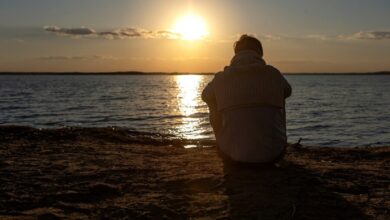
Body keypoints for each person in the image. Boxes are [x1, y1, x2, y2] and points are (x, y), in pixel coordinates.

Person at [202, 34, 292, 164]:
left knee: (212, 99)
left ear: (236, 53)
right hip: (274, 154)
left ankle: (228, 143)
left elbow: (205, 96)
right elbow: (287, 92)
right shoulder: (273, 74)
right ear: (260, 53)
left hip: (232, 154)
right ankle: (271, 141)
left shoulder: (221, 78)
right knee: (280, 95)